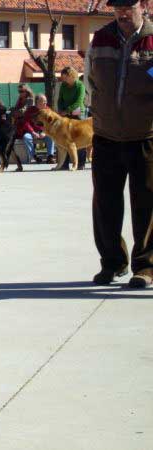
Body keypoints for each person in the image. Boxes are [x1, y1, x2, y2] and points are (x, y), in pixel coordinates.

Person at [85, 0, 153, 288]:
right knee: (105, 204)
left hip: (146, 137)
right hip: (106, 136)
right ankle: (112, 263)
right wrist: (98, 112)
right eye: (117, 7)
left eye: (129, 6)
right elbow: (90, 81)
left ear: (144, 6)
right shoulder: (101, 38)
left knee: (147, 205)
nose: (122, 12)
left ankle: (146, 267)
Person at [58, 66, 88, 170]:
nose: (64, 79)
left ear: (71, 75)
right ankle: (64, 164)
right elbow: (60, 99)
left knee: (80, 139)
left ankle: (81, 164)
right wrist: (61, 110)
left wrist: (67, 110)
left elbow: (79, 102)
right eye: (63, 77)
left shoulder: (80, 85)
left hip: (78, 114)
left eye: (65, 77)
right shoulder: (63, 85)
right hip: (65, 114)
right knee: (64, 140)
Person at [18, 94, 56, 164]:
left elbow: (51, 124)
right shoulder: (30, 110)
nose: (45, 103)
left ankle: (50, 157)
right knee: (26, 137)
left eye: (46, 101)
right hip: (32, 132)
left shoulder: (48, 110)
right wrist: (32, 132)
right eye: (43, 101)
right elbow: (26, 123)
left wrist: (44, 132)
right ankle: (34, 157)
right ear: (37, 102)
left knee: (50, 136)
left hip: (43, 132)